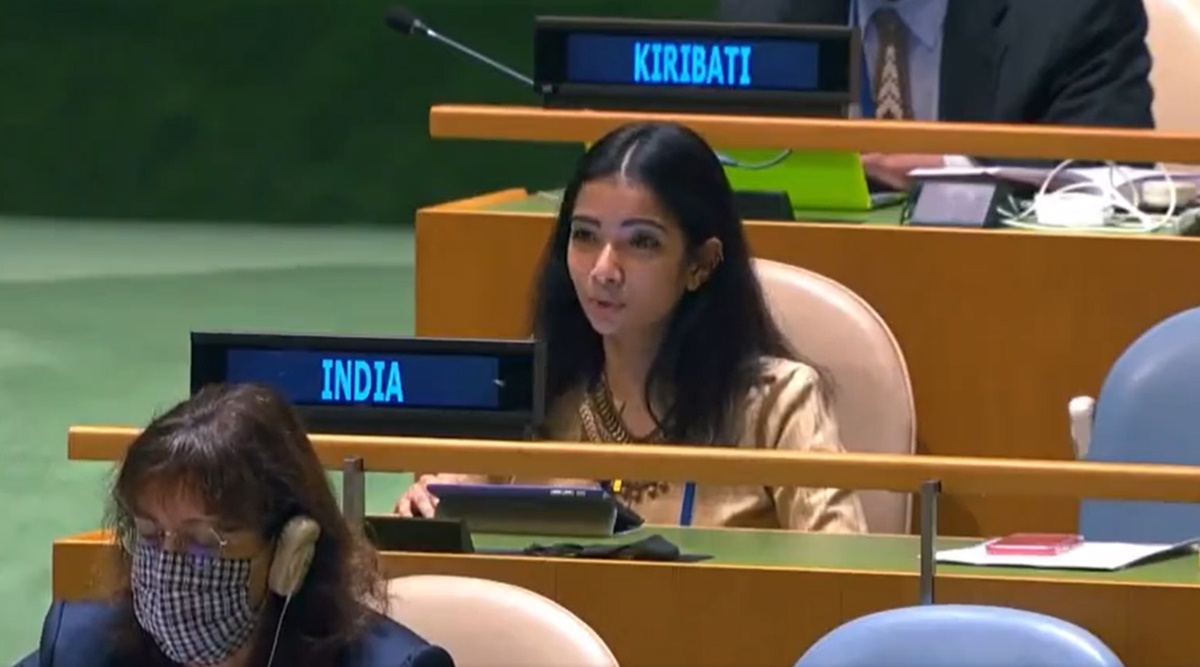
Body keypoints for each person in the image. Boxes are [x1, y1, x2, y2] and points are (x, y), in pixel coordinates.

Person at [395, 121, 867, 533]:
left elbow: (846, 582)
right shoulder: (538, 394)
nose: (603, 269)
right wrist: (439, 503)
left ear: (701, 263)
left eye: (640, 242)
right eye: (584, 235)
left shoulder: (778, 403)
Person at [22, 384, 454, 667]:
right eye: (151, 535)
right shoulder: (81, 650)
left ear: (291, 553)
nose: (168, 566)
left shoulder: (394, 666)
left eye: (202, 539)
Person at [716, 0, 1156, 188]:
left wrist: (952, 170)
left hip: (1005, 292)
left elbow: (1112, 167)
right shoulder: (758, 12)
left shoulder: (1069, 14)